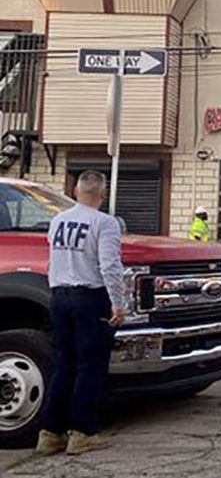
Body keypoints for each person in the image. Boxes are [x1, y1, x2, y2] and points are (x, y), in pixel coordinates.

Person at [36, 170, 125, 456]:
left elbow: (52, 259)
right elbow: (109, 265)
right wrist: (117, 302)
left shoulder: (58, 220)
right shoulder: (105, 223)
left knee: (64, 364)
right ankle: (82, 431)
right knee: (91, 366)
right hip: (90, 297)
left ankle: (50, 432)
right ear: (102, 193)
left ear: (76, 190)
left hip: (60, 295)